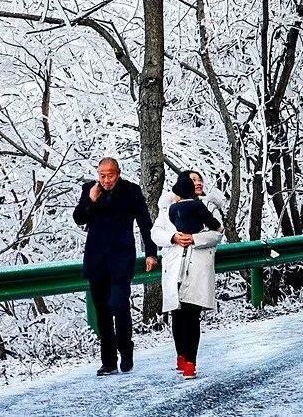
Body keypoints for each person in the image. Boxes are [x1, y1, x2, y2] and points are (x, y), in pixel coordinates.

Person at [73, 157, 157, 376]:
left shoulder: (131, 191)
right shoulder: (89, 190)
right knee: (102, 311)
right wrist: (90, 200)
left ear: (118, 173)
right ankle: (108, 361)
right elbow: (79, 218)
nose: (106, 179)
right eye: (102, 175)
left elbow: (145, 223)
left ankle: (126, 350)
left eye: (110, 175)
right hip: (96, 259)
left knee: (119, 305)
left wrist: (150, 253)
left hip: (122, 257)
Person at [152, 173, 224, 380]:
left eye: (199, 179)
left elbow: (217, 233)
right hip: (175, 264)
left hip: (198, 263)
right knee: (177, 313)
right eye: (193, 180)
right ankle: (181, 355)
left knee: (192, 314)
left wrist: (195, 239)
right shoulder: (167, 208)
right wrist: (173, 237)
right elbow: (156, 233)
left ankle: (191, 362)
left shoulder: (207, 206)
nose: (198, 183)